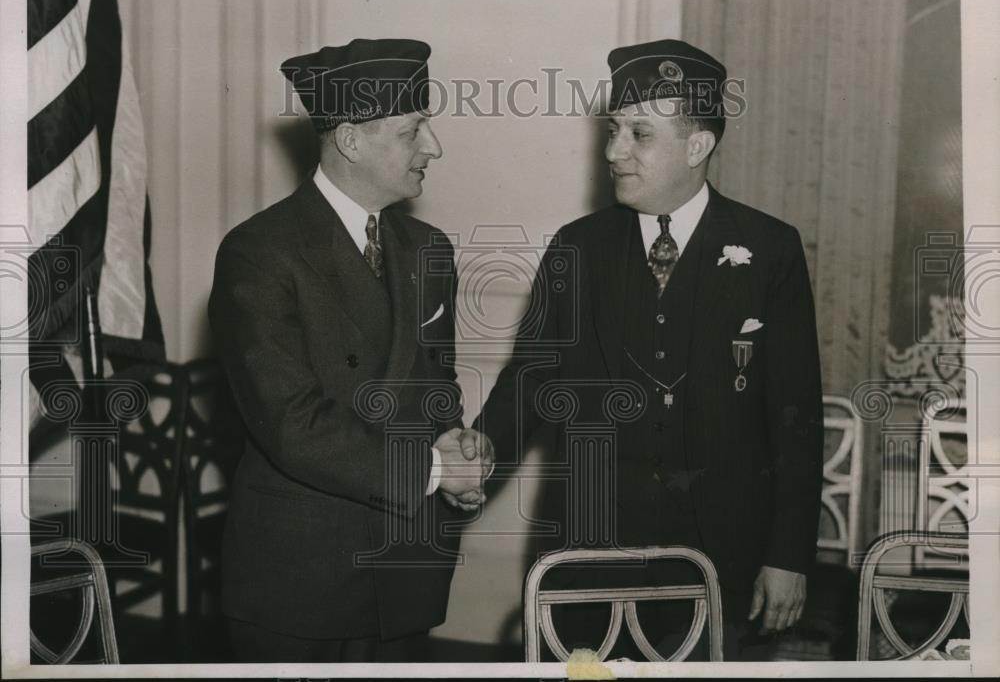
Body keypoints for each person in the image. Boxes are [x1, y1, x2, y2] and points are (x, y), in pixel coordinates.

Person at [473, 38, 824, 660]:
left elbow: (795, 416)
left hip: (725, 557)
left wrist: (788, 555)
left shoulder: (769, 249)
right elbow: (528, 381)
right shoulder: (577, 247)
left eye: (639, 133)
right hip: (591, 552)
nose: (613, 151)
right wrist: (474, 460)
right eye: (613, 131)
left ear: (698, 145)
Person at [208, 38, 488, 662]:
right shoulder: (260, 253)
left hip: (405, 568)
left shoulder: (429, 249)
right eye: (414, 129)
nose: (433, 146)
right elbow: (291, 424)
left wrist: (457, 442)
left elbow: (434, 386)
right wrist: (436, 472)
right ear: (351, 139)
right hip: (302, 581)